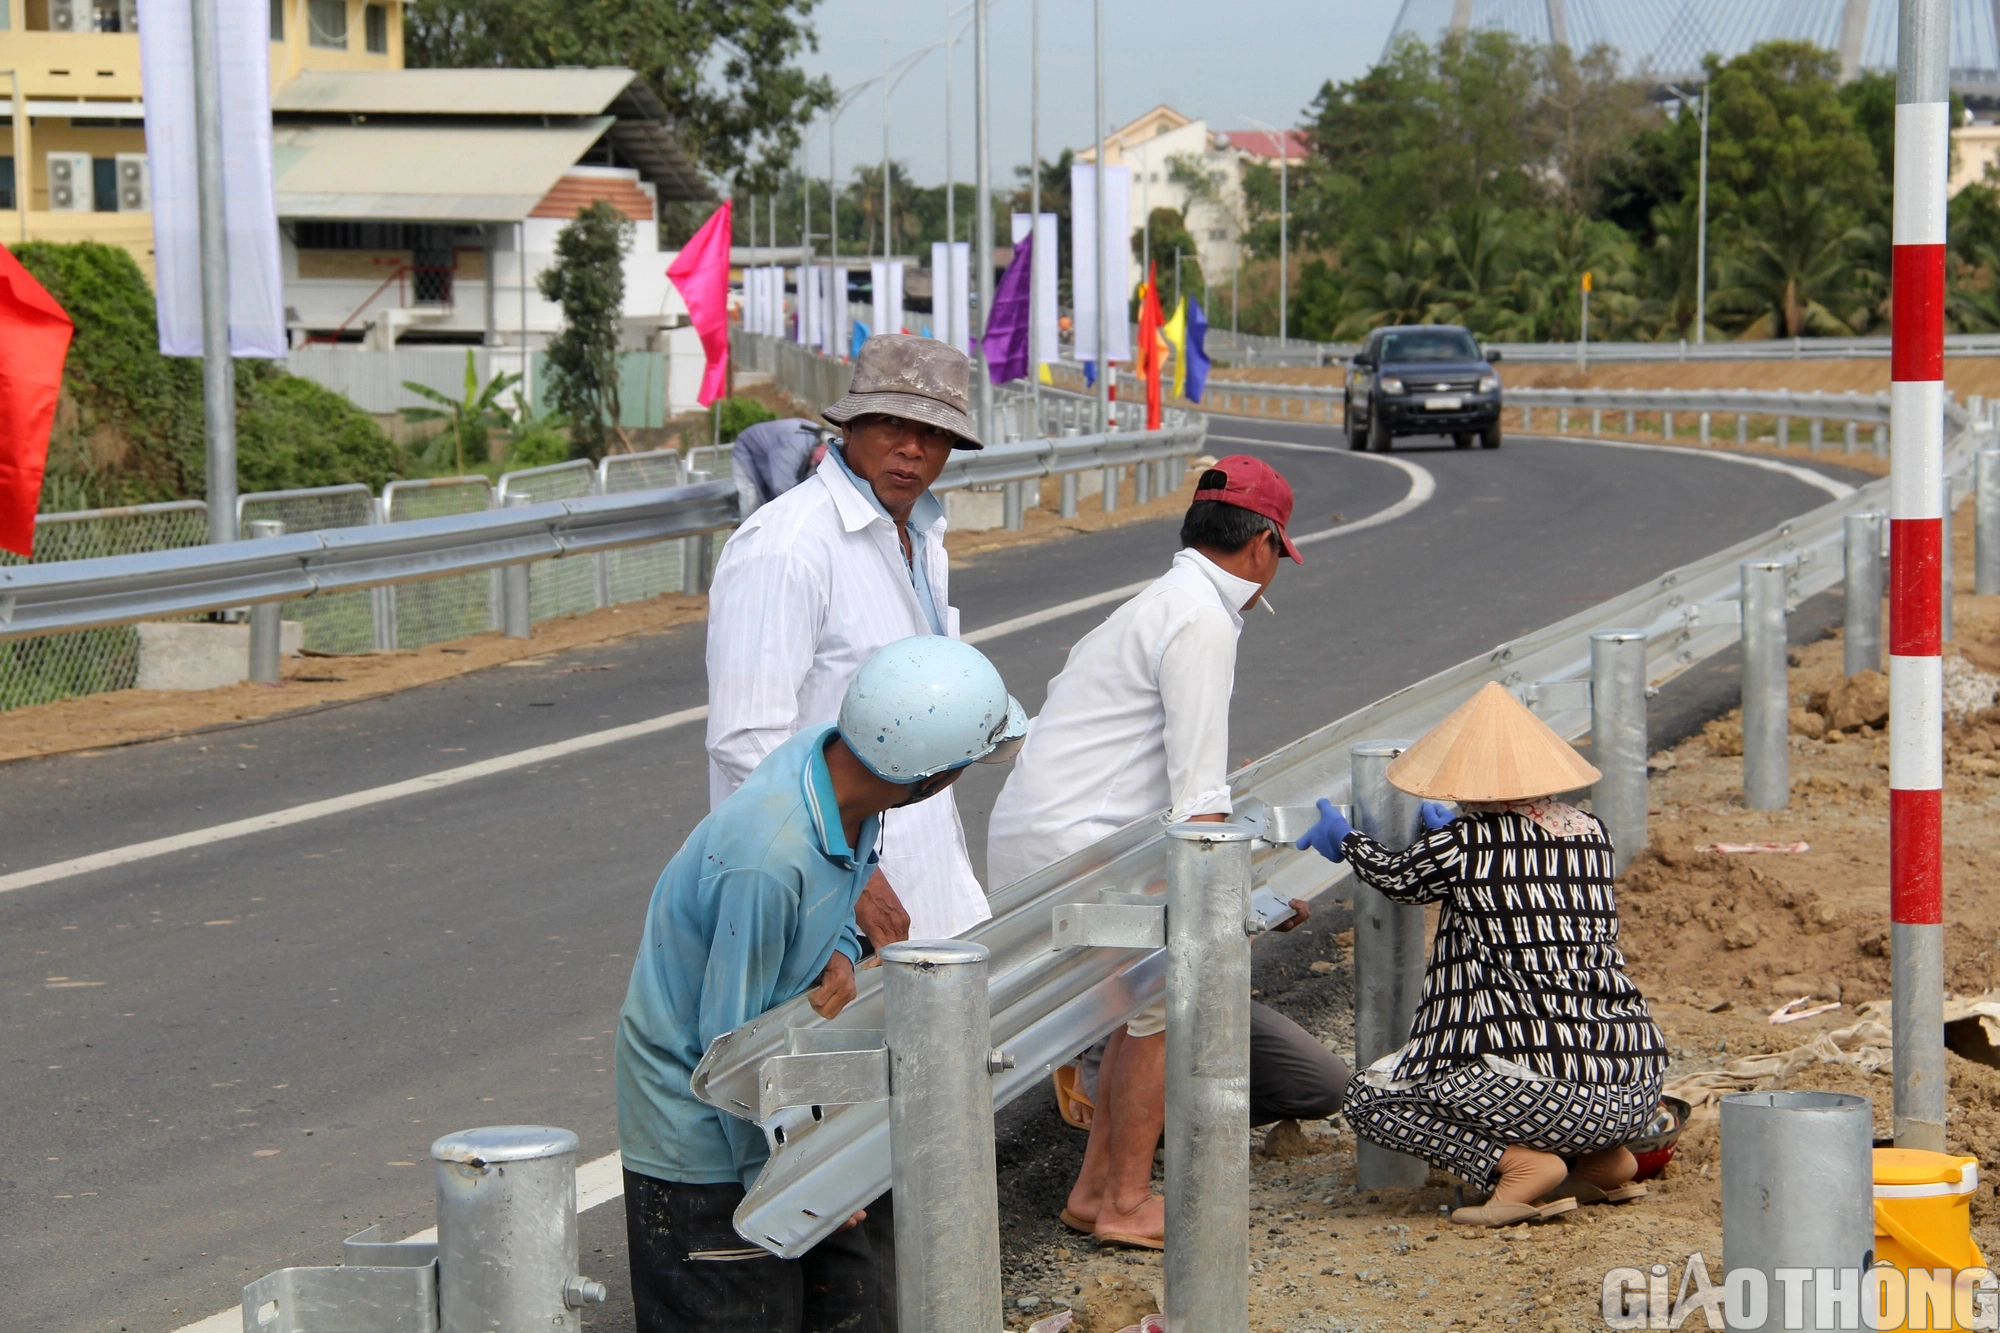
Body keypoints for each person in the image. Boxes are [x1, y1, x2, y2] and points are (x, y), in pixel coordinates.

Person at [987, 454, 1350, 1250]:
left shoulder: (1162, 602)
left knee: (1136, 1007)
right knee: (1165, 1000)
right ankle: (1122, 1198)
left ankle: (1096, 1191)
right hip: (1081, 845)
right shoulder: (1203, 619)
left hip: (1051, 835)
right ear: (1262, 545)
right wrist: (1239, 903)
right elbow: (1199, 808)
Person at [617, 636, 1028, 1331]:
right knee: (745, 1311)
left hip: (773, 1094)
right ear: (932, 777)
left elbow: (838, 885)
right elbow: (728, 1054)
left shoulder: (841, 775)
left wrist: (839, 947)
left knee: (852, 1296)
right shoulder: (769, 858)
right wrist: (791, 1182)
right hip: (704, 1134)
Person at [1292, 681, 1670, 1227]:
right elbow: (1518, 879)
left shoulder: (1467, 843)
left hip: (1547, 1092)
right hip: (1632, 1083)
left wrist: (1347, 839)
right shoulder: (1591, 833)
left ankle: (1520, 1170)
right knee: (1548, 1046)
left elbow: (1399, 880)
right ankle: (1604, 1164)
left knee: (1371, 1100)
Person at [706, 334, 990, 947]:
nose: (912, 450)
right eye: (891, 425)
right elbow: (746, 738)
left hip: (919, 873)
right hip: (822, 893)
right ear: (851, 425)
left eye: (934, 434)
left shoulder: (920, 535)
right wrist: (853, 876)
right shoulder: (786, 546)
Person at [729, 417, 828, 517]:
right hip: (747, 451)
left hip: (772, 454)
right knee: (752, 505)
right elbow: (782, 487)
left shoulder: (821, 439)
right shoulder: (791, 446)